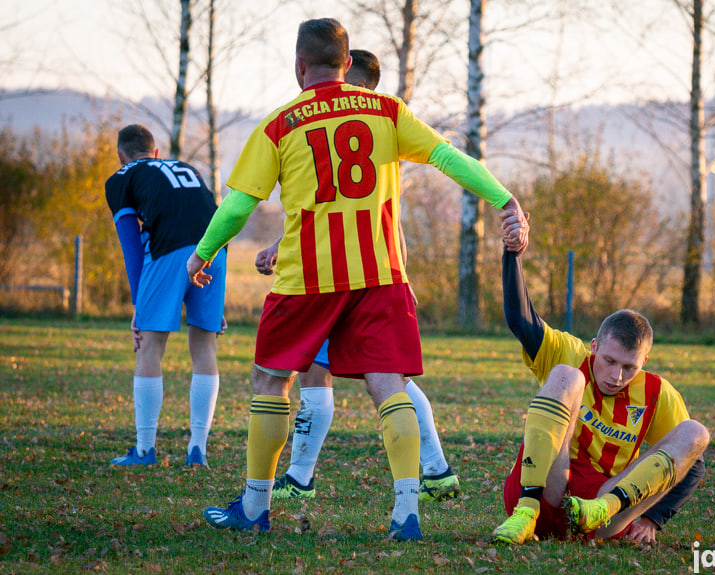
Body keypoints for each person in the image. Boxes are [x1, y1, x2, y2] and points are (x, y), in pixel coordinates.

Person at [186, 18, 528, 540]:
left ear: (300, 66)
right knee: (389, 386)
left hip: (307, 279)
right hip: (381, 275)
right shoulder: (388, 111)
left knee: (270, 382)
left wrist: (203, 254)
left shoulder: (281, 123)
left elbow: (238, 205)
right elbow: (447, 157)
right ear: (348, 64)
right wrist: (504, 199)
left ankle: (255, 508)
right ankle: (406, 515)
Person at [255, 49, 459, 504]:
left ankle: (301, 478)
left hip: (339, 283)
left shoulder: (362, 123)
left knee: (335, 374)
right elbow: (328, 218)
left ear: (357, 83)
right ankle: (435, 472)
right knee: (388, 379)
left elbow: (338, 220)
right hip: (374, 278)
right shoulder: (380, 134)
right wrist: (279, 247)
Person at [491, 247, 709, 545]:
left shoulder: (656, 393)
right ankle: (525, 511)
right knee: (567, 376)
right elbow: (520, 319)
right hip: (547, 490)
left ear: (643, 362)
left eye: (628, 367)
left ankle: (600, 509)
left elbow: (692, 462)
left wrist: (652, 518)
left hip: (601, 513)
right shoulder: (569, 352)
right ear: (594, 346)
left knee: (695, 432)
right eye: (609, 361)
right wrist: (513, 252)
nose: (616, 376)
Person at [104, 124, 226, 468]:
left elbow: (131, 246)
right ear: (156, 152)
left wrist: (137, 304)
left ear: (121, 156)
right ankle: (197, 448)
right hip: (214, 249)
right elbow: (210, 215)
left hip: (170, 251)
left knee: (150, 346)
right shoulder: (185, 167)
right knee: (204, 346)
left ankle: (144, 450)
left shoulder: (121, 177)